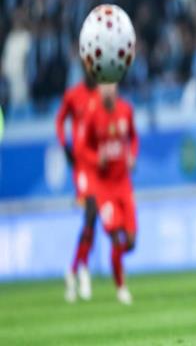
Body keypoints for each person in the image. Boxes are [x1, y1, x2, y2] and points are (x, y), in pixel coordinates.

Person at [81, 83, 139, 305]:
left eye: (111, 85)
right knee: (115, 237)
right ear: (99, 90)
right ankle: (121, 287)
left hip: (124, 185)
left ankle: (115, 261)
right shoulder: (92, 115)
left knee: (131, 241)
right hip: (104, 188)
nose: (107, 90)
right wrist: (97, 159)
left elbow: (134, 137)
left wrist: (132, 155)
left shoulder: (126, 110)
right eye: (104, 86)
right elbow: (82, 147)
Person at [56, 72, 100, 302]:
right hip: (82, 166)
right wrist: (65, 146)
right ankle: (81, 271)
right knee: (91, 213)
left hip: (99, 167)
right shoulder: (73, 95)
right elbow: (59, 121)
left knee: (92, 220)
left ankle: (74, 270)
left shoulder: (102, 96)